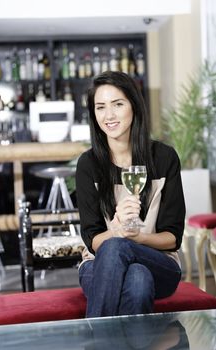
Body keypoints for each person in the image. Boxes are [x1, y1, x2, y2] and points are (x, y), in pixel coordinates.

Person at [76, 71, 185, 318]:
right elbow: (92, 240)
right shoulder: (88, 164)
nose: (109, 115)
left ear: (134, 106)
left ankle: (95, 344)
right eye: (100, 107)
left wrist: (135, 238)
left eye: (118, 104)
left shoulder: (164, 158)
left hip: (159, 262)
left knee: (118, 248)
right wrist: (115, 230)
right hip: (97, 264)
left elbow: (173, 238)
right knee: (138, 280)